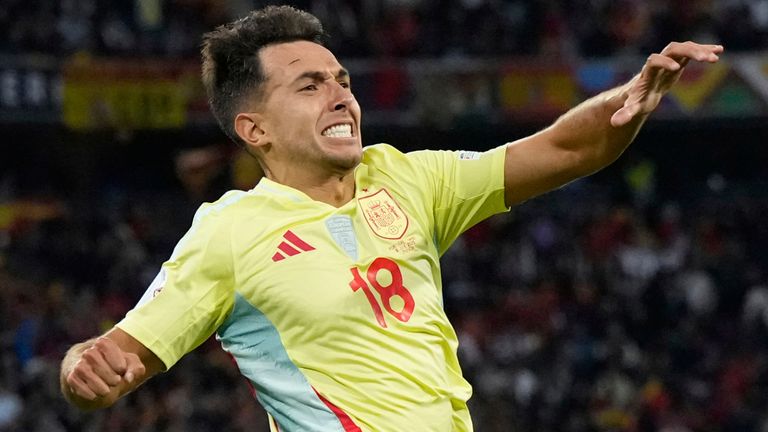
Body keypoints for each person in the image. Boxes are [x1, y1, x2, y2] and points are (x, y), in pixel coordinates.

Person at [59, 5, 723, 431]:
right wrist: (81, 368)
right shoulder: (229, 233)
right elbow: (114, 361)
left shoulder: (407, 176)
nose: (340, 96)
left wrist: (629, 98)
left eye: (341, 79)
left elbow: (564, 147)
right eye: (309, 86)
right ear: (253, 127)